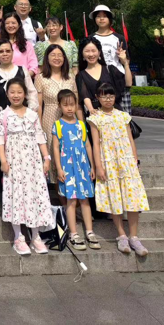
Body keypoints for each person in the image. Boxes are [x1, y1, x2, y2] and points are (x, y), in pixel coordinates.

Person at [88, 83, 149, 256]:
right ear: (97, 98)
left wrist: (135, 160)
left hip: (126, 161)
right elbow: (95, 144)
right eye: (104, 96)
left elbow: (130, 140)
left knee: (133, 198)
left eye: (110, 96)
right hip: (108, 162)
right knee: (114, 197)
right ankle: (121, 235)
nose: (108, 99)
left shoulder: (123, 116)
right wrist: (98, 166)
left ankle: (134, 237)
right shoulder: (95, 118)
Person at [0, 78, 53, 256]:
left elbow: (40, 137)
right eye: (12, 92)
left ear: (25, 94)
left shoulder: (32, 114)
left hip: (33, 163)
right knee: (16, 196)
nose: (16, 95)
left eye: (19, 92)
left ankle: (35, 236)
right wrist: (3, 161)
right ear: (7, 94)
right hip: (13, 163)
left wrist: (46, 158)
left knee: (35, 195)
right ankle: (18, 237)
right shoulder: (4, 115)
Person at [52, 89, 100, 251]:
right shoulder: (58, 125)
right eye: (65, 105)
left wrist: (92, 166)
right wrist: (59, 168)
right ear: (59, 106)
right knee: (71, 200)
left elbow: (88, 146)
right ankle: (73, 233)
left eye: (72, 105)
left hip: (82, 167)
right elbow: (56, 148)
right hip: (67, 168)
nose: (69, 108)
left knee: (85, 200)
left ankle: (90, 231)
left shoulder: (81, 125)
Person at [34, 44, 80, 185]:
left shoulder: (70, 77)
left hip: (71, 120)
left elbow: (76, 103)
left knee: (71, 151)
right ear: (47, 58)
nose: (57, 58)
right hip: (50, 118)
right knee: (54, 152)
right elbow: (38, 105)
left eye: (60, 55)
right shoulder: (40, 78)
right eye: (53, 55)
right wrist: (39, 127)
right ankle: (59, 191)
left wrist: (81, 123)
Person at [90, 5, 132, 114]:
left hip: (118, 80)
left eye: (104, 16)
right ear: (95, 19)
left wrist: (123, 58)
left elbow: (127, 60)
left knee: (124, 116)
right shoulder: (91, 38)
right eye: (98, 16)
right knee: (101, 116)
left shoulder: (119, 38)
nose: (101, 19)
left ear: (109, 19)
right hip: (99, 79)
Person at [76, 37, 132, 117]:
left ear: (99, 52)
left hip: (114, 114)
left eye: (93, 51)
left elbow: (128, 83)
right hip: (96, 115)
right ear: (82, 54)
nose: (91, 54)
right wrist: (91, 109)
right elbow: (85, 96)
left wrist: (125, 63)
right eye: (87, 51)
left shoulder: (110, 69)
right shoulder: (81, 75)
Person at [0, 12, 38, 77]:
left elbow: (33, 65)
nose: (10, 25)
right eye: (7, 23)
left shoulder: (27, 44)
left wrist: (24, 76)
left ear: (19, 25)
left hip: (23, 79)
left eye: (13, 23)